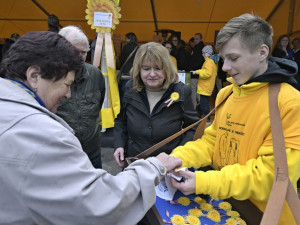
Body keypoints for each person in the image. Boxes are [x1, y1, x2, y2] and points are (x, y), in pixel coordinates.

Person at [0, 31, 182, 225]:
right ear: (34, 76)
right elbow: (100, 202)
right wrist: (154, 166)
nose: (69, 94)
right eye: (66, 84)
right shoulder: (42, 134)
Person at [170, 14, 300, 225]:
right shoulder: (227, 94)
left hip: (265, 216)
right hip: (224, 209)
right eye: (223, 59)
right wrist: (177, 158)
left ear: (262, 52)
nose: (224, 67)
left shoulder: (290, 102)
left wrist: (203, 181)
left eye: (234, 58)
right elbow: (211, 143)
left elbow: (271, 177)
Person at [113, 42, 199, 168]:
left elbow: (193, 127)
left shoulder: (181, 91)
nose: (152, 74)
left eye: (158, 68)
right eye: (146, 69)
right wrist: (119, 145)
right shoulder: (129, 88)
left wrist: (179, 154)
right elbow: (121, 121)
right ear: (138, 69)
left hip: (167, 167)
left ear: (167, 69)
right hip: (135, 163)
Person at [56, 26, 105, 169]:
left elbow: (98, 106)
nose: (79, 57)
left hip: (92, 153)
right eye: (74, 52)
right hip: (61, 155)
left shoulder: (95, 75)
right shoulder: (50, 77)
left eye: (83, 52)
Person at [191, 45, 218, 122]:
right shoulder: (211, 62)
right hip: (206, 86)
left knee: (204, 103)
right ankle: (198, 112)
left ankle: (207, 118)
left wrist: (197, 72)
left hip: (205, 86)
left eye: (204, 53)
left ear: (208, 53)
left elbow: (207, 73)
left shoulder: (209, 62)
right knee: (203, 102)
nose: (202, 55)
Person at [119, 32, 139, 101]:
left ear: (129, 39)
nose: (125, 40)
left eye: (126, 38)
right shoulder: (138, 47)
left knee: (123, 91)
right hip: (135, 72)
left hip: (125, 73)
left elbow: (121, 60)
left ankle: (122, 108)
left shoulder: (126, 47)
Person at [188, 33, 205, 109]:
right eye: (194, 39)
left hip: (196, 73)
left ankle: (195, 107)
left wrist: (192, 69)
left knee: (194, 91)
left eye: (197, 39)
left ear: (201, 39)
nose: (195, 40)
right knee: (197, 91)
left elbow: (198, 62)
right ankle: (199, 107)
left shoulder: (199, 49)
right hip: (198, 73)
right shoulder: (198, 48)